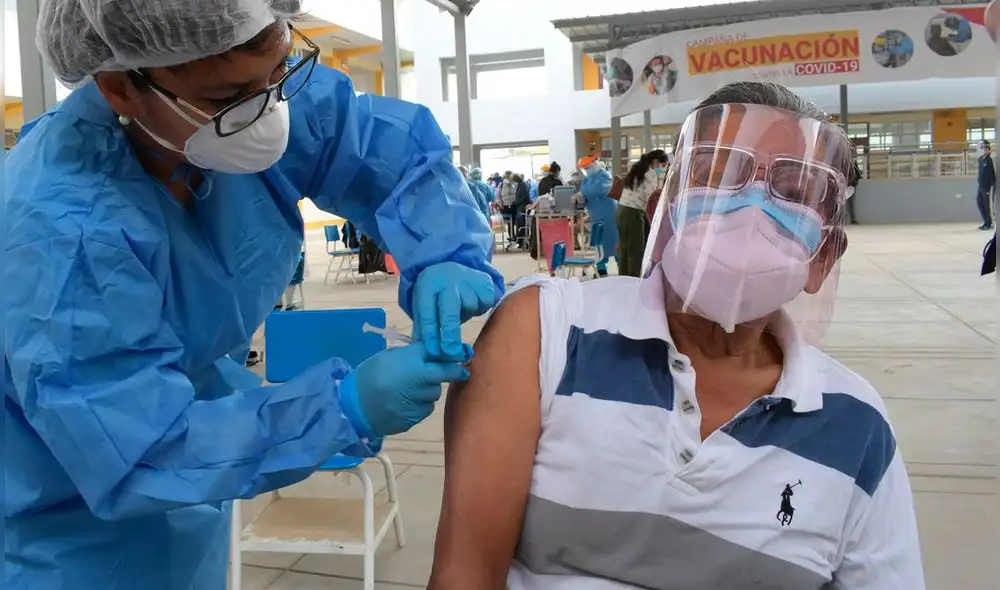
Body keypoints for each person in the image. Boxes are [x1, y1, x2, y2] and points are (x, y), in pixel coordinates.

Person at [4, 2, 504, 589]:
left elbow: (380, 149)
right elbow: (136, 447)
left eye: (281, 71)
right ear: (119, 87)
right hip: (69, 529)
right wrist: (339, 408)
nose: (267, 112)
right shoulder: (62, 231)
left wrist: (444, 247)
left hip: (190, 501)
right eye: (228, 97)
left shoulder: (244, 95)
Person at [430, 82, 924, 590]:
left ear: (823, 257)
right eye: (720, 176)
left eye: (793, 193)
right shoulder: (546, 329)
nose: (752, 208)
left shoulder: (856, 425)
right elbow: (465, 574)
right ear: (662, 214)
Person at [617, 149, 668, 276]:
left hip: (622, 210)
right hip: (633, 213)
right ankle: (633, 280)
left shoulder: (638, 170)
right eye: (662, 166)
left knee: (625, 249)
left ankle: (623, 278)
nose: (661, 169)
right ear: (655, 161)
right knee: (635, 250)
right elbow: (651, 198)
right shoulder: (650, 175)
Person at [578, 155, 619, 276]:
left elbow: (598, 189)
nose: (587, 171)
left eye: (588, 168)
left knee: (614, 242)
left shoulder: (604, 176)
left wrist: (582, 193)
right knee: (599, 244)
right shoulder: (587, 179)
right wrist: (581, 199)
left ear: (595, 165)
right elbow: (585, 191)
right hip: (596, 216)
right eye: (585, 169)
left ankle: (622, 267)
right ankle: (601, 269)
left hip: (609, 215)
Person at [976, 140, 995, 231]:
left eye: (986, 149)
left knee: (987, 204)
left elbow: (992, 174)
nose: (984, 150)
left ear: (989, 150)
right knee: (980, 202)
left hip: (987, 186)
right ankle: (985, 221)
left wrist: (992, 185)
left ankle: (989, 223)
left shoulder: (990, 160)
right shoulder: (980, 159)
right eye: (983, 148)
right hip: (980, 185)